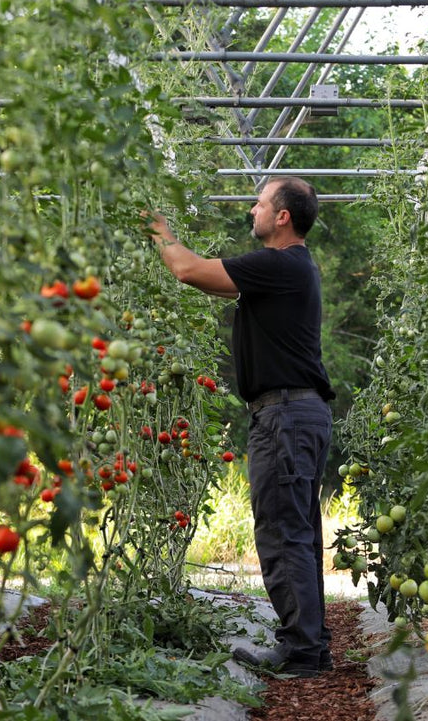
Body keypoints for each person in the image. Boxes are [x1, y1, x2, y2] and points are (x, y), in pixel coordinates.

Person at [147, 177, 336, 678]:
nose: (251, 209)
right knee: (299, 532)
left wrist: (158, 228)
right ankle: (310, 646)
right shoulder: (290, 269)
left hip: (285, 415)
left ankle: (300, 650)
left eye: (259, 202)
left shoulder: (282, 264)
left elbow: (186, 270)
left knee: (281, 531)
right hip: (298, 413)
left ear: (282, 217)